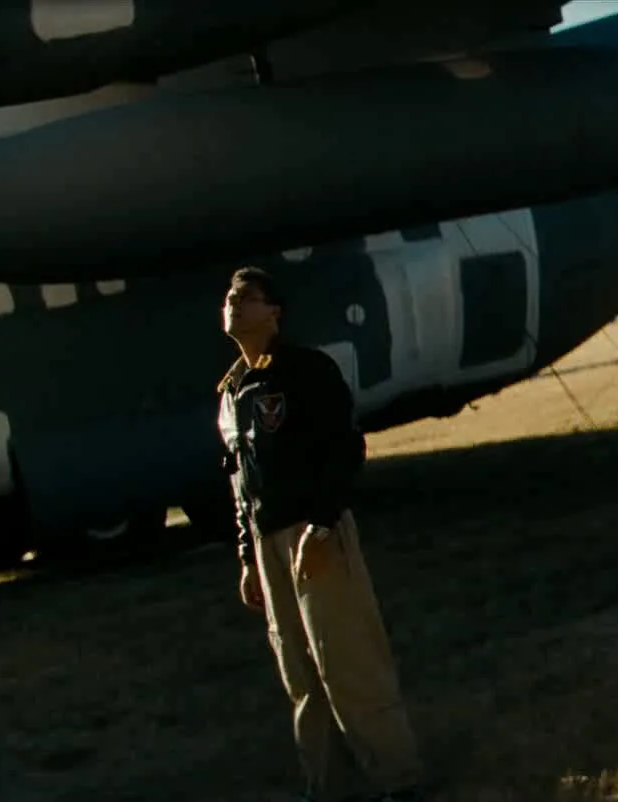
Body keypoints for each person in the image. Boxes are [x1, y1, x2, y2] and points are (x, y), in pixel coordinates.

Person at [218, 267, 427, 802]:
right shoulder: (232, 391)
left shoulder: (306, 371)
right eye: (230, 298)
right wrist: (247, 557)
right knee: (299, 674)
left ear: (274, 313)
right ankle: (327, 785)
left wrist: (323, 522)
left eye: (247, 297)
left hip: (314, 530)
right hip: (268, 542)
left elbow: (344, 448)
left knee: (348, 658)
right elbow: (240, 479)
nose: (233, 304)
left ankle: (398, 778)